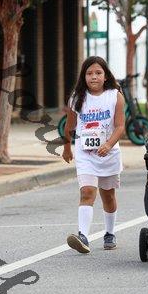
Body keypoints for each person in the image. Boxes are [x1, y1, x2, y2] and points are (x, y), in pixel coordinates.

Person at [62, 56, 125, 253]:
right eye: (89, 73)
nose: (94, 77)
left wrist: (108, 144)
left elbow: (120, 126)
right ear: (84, 77)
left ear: (105, 76)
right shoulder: (77, 97)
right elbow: (69, 126)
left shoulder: (115, 96)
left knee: (108, 196)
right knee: (87, 192)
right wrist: (67, 147)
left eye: (98, 73)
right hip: (85, 153)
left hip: (109, 153)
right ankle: (83, 236)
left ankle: (110, 232)